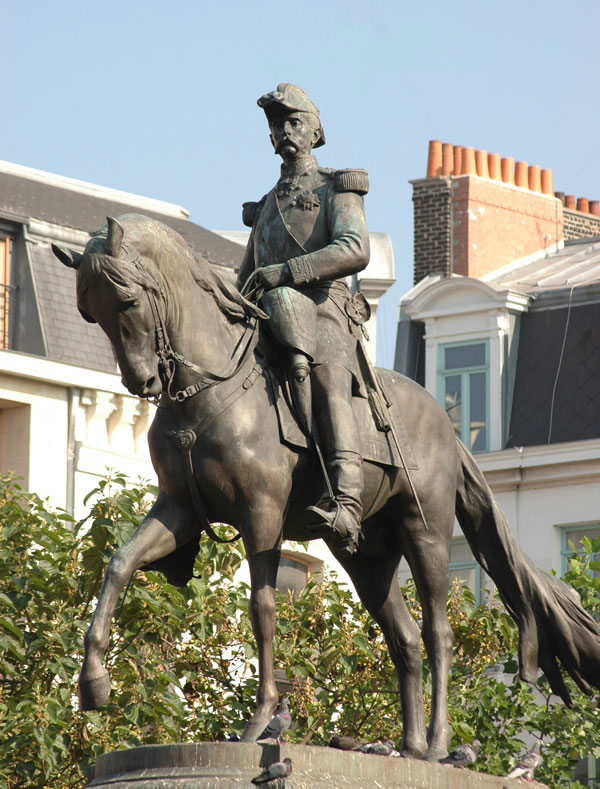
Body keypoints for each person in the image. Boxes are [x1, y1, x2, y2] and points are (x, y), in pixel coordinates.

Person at [236, 83, 370, 558]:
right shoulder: (265, 206)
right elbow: (245, 276)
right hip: (272, 311)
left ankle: (347, 499)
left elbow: (355, 248)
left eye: (294, 122)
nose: (284, 131)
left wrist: (291, 271)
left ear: (315, 131)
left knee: (329, 378)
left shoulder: (337, 187)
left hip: (325, 306)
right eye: (277, 124)